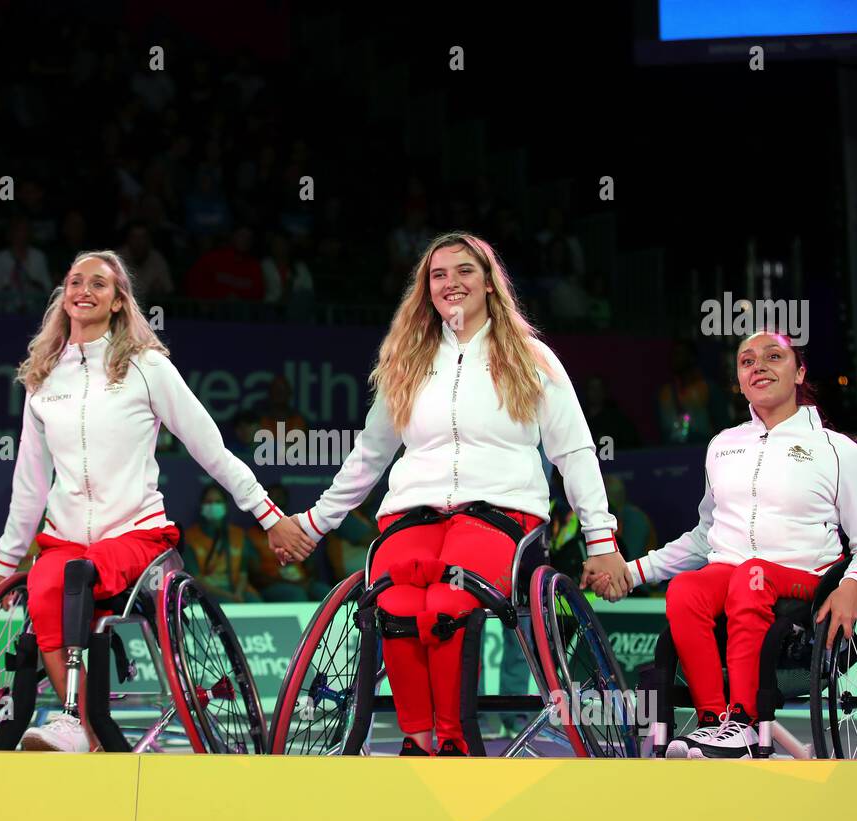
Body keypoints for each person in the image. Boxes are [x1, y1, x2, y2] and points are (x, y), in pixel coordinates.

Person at [271, 232, 629, 757]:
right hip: (412, 515)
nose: (451, 283)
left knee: (446, 601)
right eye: (438, 275)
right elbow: (369, 455)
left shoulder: (531, 357)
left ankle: (456, 741)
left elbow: (574, 451)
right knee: (393, 602)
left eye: (464, 271)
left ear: (488, 282)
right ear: (426, 289)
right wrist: (314, 523)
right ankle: (417, 740)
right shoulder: (409, 361)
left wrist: (600, 542)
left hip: (501, 513)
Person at [0, 251, 313, 752]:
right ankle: (81, 730)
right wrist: (7, 559)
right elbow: (30, 480)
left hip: (137, 538)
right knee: (46, 579)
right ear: (63, 295)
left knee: (75, 575)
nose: (84, 290)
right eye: (75, 281)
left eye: (99, 284)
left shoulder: (147, 368)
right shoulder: (44, 379)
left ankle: (76, 722)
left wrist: (268, 515)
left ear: (118, 302)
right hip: (66, 540)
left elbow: (211, 449)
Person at [593, 332, 857, 758]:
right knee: (687, 590)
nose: (759, 366)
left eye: (774, 357)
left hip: (805, 579)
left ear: (800, 372)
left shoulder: (837, 450)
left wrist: (854, 585)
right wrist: (634, 570)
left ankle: (746, 722)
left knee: (750, 577)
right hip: (735, 577)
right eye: (747, 361)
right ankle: (715, 721)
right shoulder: (723, 446)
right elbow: (704, 537)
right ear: (738, 378)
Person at [246, 484, 331, 602]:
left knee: (328, 595)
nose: (277, 505)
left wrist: (306, 581)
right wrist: (290, 583)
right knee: (296, 594)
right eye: (273, 501)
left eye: (280, 500)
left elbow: (311, 565)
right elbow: (257, 577)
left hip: (302, 582)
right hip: (273, 585)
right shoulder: (252, 536)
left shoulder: (294, 529)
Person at [183, 485, 262, 604]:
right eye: (209, 502)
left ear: (225, 506)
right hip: (208, 591)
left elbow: (243, 573)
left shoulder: (238, 535)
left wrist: (238, 594)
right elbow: (196, 579)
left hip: (238, 590)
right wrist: (229, 596)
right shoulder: (190, 537)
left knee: (256, 603)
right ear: (202, 506)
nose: (213, 506)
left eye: (218, 502)